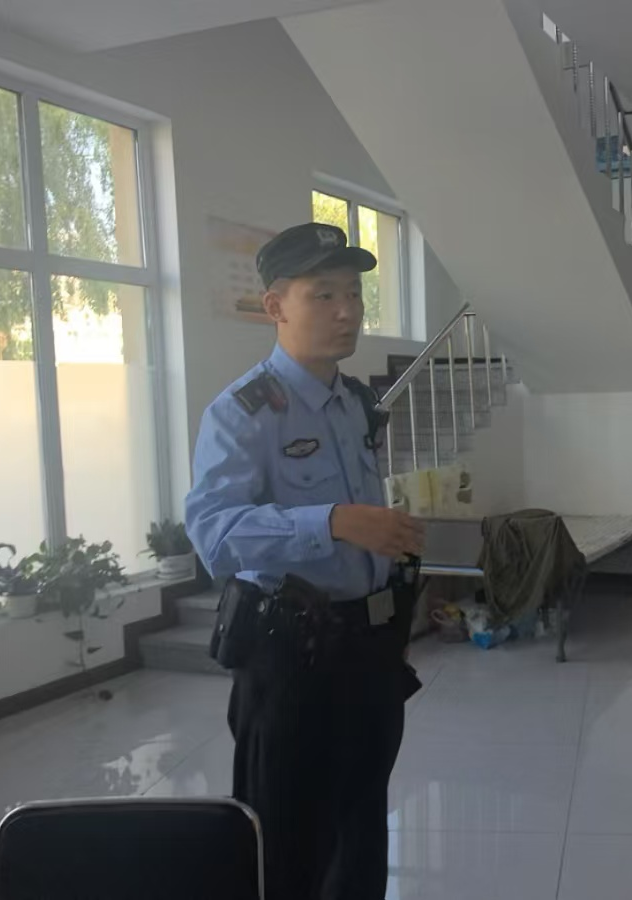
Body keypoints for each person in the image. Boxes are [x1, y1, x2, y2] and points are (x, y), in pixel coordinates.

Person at [186, 222, 426, 900]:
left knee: (362, 834)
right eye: (323, 295)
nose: (347, 311)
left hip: (369, 652)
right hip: (292, 659)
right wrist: (333, 522)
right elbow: (214, 533)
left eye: (353, 293)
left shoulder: (354, 404)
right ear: (275, 306)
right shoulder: (244, 413)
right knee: (289, 849)